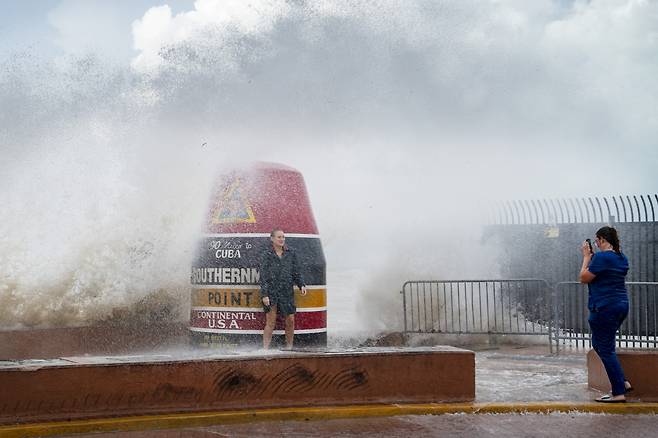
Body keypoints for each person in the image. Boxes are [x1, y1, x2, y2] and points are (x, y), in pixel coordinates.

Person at [579, 226, 632, 402]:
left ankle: (618, 392)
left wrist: (586, 257)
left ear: (602, 240)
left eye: (596, 241)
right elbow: (606, 273)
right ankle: (622, 382)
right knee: (599, 343)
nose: (596, 244)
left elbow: (583, 277)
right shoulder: (621, 257)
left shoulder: (601, 257)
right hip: (621, 306)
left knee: (606, 348)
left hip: (604, 307)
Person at [259, 228, 307, 350]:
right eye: (279, 237)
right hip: (271, 292)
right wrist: (264, 294)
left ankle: (289, 347)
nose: (281, 239)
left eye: (283, 237)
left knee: (290, 320)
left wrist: (301, 285)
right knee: (271, 322)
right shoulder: (266, 254)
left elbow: (296, 271)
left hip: (287, 292)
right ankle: (265, 349)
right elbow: (263, 276)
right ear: (272, 239)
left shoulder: (291, 253)